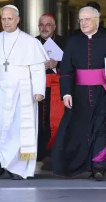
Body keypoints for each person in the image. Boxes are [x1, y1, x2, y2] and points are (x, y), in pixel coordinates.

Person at [52, 6, 106, 181]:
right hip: (78, 94)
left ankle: (99, 166)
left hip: (102, 92)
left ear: (96, 20)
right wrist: (66, 93)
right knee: (79, 129)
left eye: (87, 19)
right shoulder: (72, 42)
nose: (83, 23)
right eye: (81, 20)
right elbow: (66, 71)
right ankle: (78, 165)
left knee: (101, 129)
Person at [0, 5, 48, 180]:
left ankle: (18, 168)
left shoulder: (30, 42)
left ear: (17, 19)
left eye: (9, 19)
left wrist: (39, 90)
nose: (6, 22)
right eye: (3, 19)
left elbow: (38, 69)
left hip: (23, 91)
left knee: (18, 130)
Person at [35, 14, 66, 171]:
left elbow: (72, 64)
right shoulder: (32, 42)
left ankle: (56, 155)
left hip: (57, 89)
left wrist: (57, 63)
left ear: (54, 27)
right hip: (38, 89)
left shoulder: (64, 42)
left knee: (57, 122)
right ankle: (38, 154)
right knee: (38, 122)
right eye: (41, 25)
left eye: (48, 25)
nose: (44, 28)